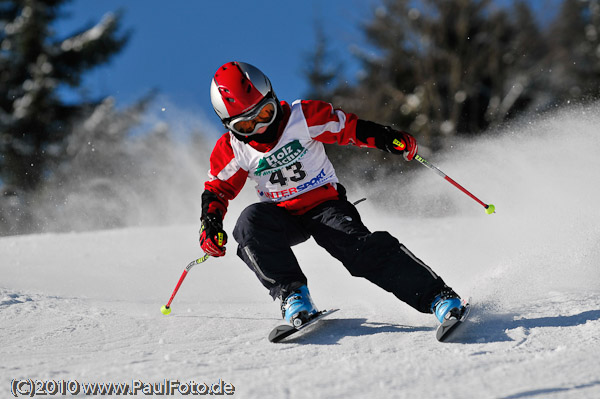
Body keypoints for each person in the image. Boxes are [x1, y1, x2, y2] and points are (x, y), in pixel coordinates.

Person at [200, 61, 465, 328]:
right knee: (249, 224)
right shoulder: (233, 149)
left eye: (264, 114)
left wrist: (387, 138)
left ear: (273, 98)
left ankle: (438, 297)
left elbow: (349, 128)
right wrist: (210, 225)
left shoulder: (301, 117)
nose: (259, 129)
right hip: (283, 216)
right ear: (229, 126)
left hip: (325, 206)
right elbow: (217, 190)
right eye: (245, 126)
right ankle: (293, 296)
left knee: (357, 249)